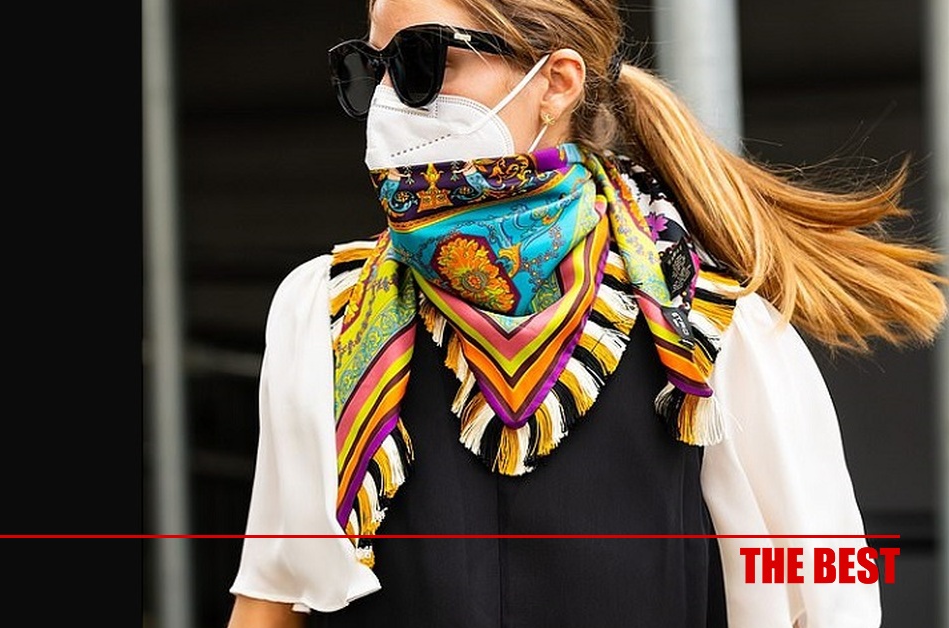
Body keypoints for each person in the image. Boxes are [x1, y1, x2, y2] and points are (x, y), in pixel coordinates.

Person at [226, 0, 947, 626]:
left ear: (556, 82)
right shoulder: (322, 310)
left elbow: (828, 593)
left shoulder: (712, 319)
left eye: (420, 60)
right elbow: (272, 593)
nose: (388, 96)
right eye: (368, 67)